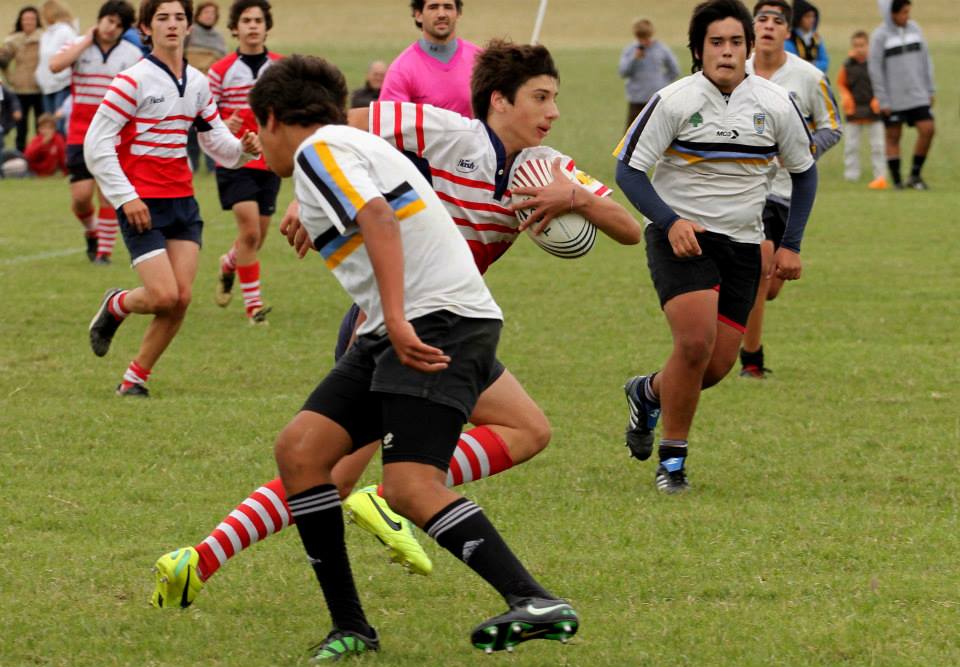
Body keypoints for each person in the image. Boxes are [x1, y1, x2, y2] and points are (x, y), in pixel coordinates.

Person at [149, 39, 639, 609]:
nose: (553, 112)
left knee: (527, 431)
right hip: (392, 318)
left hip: (453, 321)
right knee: (325, 470)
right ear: (499, 102)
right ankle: (204, 558)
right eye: (541, 98)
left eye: (555, 98)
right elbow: (342, 122)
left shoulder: (547, 168)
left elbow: (627, 230)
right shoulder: (447, 130)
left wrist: (574, 194)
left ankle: (384, 497)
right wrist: (310, 194)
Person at [251, 53, 579, 660]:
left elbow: (377, 216)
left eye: (257, 131)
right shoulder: (347, 142)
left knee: (408, 485)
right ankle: (351, 627)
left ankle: (532, 599)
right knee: (301, 450)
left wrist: (398, 318)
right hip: (432, 318)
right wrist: (390, 321)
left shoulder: (316, 153)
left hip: (432, 320)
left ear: (273, 118)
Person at [616, 0, 818, 493]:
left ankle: (647, 393)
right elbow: (628, 169)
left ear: (749, 48)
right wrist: (669, 220)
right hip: (682, 239)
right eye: (715, 43)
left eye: (735, 42)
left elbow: (805, 172)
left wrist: (789, 245)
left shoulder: (774, 103)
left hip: (745, 245)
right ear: (697, 50)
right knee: (693, 343)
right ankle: (673, 463)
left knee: (714, 366)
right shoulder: (674, 100)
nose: (726, 52)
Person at [84, 0, 260, 397]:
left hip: (183, 202)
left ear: (189, 26)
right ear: (146, 28)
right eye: (162, 18)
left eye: (179, 17)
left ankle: (134, 380)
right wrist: (126, 197)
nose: (172, 24)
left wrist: (244, 149)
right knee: (162, 295)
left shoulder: (197, 83)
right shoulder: (131, 82)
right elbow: (97, 145)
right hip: (142, 203)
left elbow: (216, 142)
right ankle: (117, 304)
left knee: (179, 300)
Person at [738, 0, 841, 379]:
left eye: (776, 21)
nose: (767, 26)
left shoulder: (809, 77)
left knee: (771, 286)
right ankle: (752, 360)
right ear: (752, 28)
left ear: (788, 31)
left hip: (788, 192)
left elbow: (833, 127)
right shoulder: (734, 71)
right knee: (762, 265)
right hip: (746, 188)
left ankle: (741, 309)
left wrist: (801, 150)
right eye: (761, 19)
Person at [49, 0, 141, 264]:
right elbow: (55, 66)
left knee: (108, 194)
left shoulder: (131, 54)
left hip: (113, 132)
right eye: (109, 21)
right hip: (79, 133)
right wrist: (85, 41)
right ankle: (91, 232)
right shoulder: (79, 46)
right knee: (80, 198)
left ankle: (104, 253)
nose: (112, 28)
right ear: (100, 19)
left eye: (119, 25)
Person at [208, 0, 282, 324]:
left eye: (258, 20)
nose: (252, 26)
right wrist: (225, 123)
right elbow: (204, 117)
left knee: (256, 239)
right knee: (250, 232)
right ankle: (254, 308)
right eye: (246, 20)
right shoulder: (220, 70)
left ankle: (229, 263)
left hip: (271, 161)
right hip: (234, 161)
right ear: (235, 28)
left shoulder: (281, 69)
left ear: (267, 27)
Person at [869, 0, 934, 190]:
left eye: (908, 12)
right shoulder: (880, 36)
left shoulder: (915, 30)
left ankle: (915, 175)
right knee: (893, 136)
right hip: (893, 99)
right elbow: (875, 70)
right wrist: (883, 100)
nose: (907, 16)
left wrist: (929, 89)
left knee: (928, 130)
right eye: (904, 12)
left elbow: (926, 60)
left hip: (918, 94)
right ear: (892, 14)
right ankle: (897, 182)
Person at [379, 0, 480, 117]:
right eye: (433, 7)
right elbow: (390, 125)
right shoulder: (401, 69)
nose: (441, 14)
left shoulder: (480, 60)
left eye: (448, 7)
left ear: (458, 14)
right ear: (418, 16)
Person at [837, 30, 886, 189]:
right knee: (851, 145)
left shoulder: (876, 64)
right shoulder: (847, 65)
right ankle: (851, 174)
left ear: (868, 46)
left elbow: (883, 83)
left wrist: (878, 99)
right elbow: (841, 84)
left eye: (862, 45)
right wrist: (846, 98)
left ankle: (880, 174)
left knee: (878, 146)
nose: (859, 49)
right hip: (854, 112)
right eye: (856, 45)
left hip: (874, 111)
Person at [184, 0, 225, 172]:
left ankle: (211, 166)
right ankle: (193, 163)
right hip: (190, 85)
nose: (209, 16)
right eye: (206, 12)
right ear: (198, 14)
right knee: (191, 129)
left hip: (210, 89)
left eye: (212, 13)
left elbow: (222, 62)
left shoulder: (218, 38)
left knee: (210, 125)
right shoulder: (190, 33)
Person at [618, 18, 679, 131]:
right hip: (636, 100)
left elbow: (674, 70)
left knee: (659, 133)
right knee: (631, 134)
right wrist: (634, 59)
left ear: (651, 35)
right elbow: (623, 72)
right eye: (640, 38)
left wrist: (662, 84)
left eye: (646, 37)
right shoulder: (630, 50)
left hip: (656, 100)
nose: (644, 41)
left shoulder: (661, 49)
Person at [0, 6, 44, 153]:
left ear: (37, 20)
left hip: (39, 88)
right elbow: (4, 61)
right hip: (20, 89)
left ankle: (40, 154)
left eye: (32, 19)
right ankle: (21, 155)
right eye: (25, 19)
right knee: (21, 127)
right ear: (21, 21)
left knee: (41, 125)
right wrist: (9, 78)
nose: (28, 22)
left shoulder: (44, 37)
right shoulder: (14, 40)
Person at [35, 0, 77, 134]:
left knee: (61, 126)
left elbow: (71, 55)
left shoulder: (66, 31)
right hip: (47, 87)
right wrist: (39, 77)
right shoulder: (46, 34)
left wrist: (60, 77)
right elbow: (44, 59)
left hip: (61, 86)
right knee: (50, 126)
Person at [785, 0, 828, 73]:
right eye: (807, 17)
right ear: (798, 18)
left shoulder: (816, 38)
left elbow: (824, 63)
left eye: (813, 16)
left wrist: (809, 65)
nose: (811, 20)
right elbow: (793, 65)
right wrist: (813, 65)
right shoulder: (789, 39)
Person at [23, 110, 65, 175]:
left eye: (50, 128)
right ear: (39, 129)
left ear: (54, 129)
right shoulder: (37, 139)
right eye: (44, 128)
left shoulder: (58, 140)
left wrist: (65, 172)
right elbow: (28, 156)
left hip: (48, 173)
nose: (47, 131)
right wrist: (42, 144)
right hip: (33, 172)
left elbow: (63, 158)